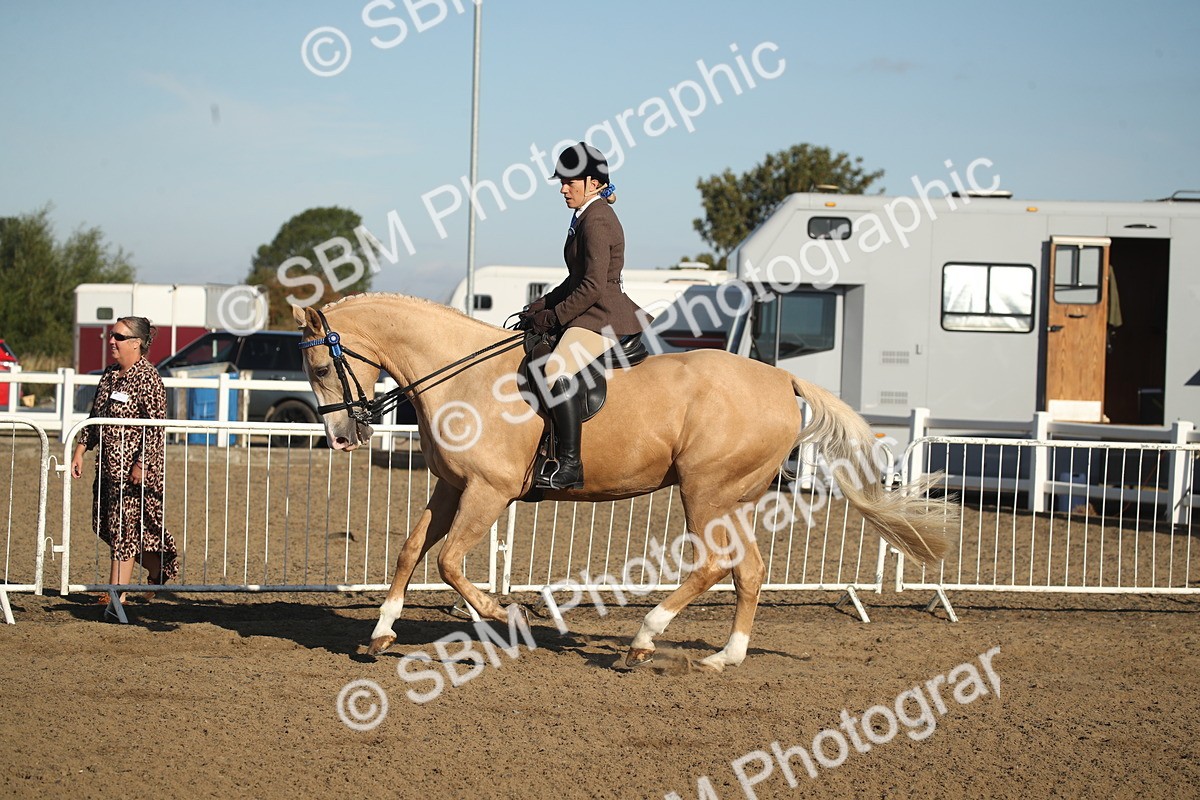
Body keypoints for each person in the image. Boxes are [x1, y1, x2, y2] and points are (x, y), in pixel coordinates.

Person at [519, 141, 649, 490]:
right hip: (591, 310)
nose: (563, 189)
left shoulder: (599, 219)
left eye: (569, 182)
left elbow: (592, 286)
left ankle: (570, 464)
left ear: (593, 183)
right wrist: (542, 305)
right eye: (561, 182)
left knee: (555, 369)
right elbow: (575, 278)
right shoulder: (586, 215)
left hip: (602, 316)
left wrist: (555, 317)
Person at [70, 316, 178, 612]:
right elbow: (95, 417)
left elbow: (155, 428)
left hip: (135, 472)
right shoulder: (108, 375)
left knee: (124, 531)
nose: (111, 341)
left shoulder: (149, 378)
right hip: (107, 468)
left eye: (118, 336)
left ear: (136, 343)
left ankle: (116, 595)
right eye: (112, 335)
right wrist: (80, 450)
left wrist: (141, 464)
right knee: (106, 526)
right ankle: (158, 568)